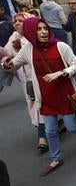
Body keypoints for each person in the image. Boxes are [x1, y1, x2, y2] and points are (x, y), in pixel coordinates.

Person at [3, 17, 76, 175]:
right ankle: (56, 158)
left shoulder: (61, 46)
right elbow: (14, 64)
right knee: (50, 131)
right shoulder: (28, 50)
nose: (44, 32)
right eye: (39, 29)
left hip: (65, 95)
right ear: (32, 32)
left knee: (72, 126)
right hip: (45, 97)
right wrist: (6, 63)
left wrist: (60, 73)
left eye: (45, 28)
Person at [1, 12, 47, 153]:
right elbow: (7, 54)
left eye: (21, 20)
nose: (17, 23)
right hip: (25, 80)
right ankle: (51, 127)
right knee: (34, 106)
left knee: (41, 106)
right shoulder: (14, 36)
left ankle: (43, 137)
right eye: (15, 21)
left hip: (41, 78)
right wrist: (5, 60)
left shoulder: (37, 36)